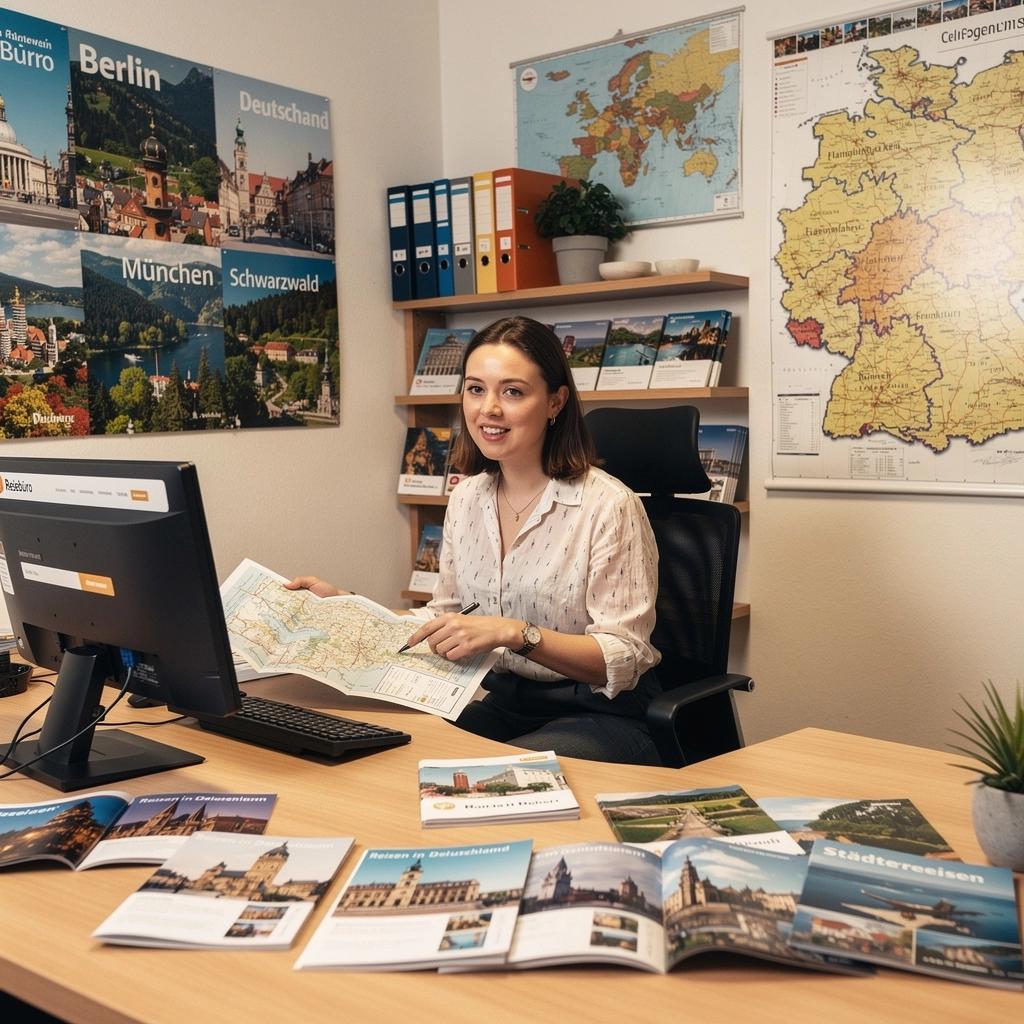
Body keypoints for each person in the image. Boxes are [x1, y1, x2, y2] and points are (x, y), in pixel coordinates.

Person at [290, 315, 662, 765]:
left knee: (493, 781)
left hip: (602, 713)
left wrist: (514, 633)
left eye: (513, 391)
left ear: (555, 402)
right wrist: (344, 606)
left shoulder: (609, 505)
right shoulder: (467, 497)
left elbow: (623, 655)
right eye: (475, 389)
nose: (489, 409)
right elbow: (446, 617)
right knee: (397, 757)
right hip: (505, 702)